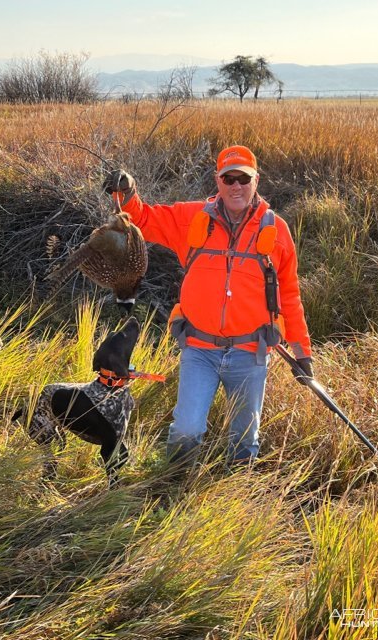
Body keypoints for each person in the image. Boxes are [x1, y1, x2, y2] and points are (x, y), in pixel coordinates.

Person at [103, 145, 313, 467]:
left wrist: (302, 353)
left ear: (256, 180)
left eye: (243, 178)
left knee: (244, 441)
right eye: (228, 178)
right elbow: (142, 218)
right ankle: (172, 486)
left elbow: (290, 296)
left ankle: (238, 496)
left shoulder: (277, 230)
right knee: (186, 430)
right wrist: (125, 193)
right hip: (199, 350)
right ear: (218, 181)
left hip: (250, 353)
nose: (236, 186)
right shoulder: (192, 219)